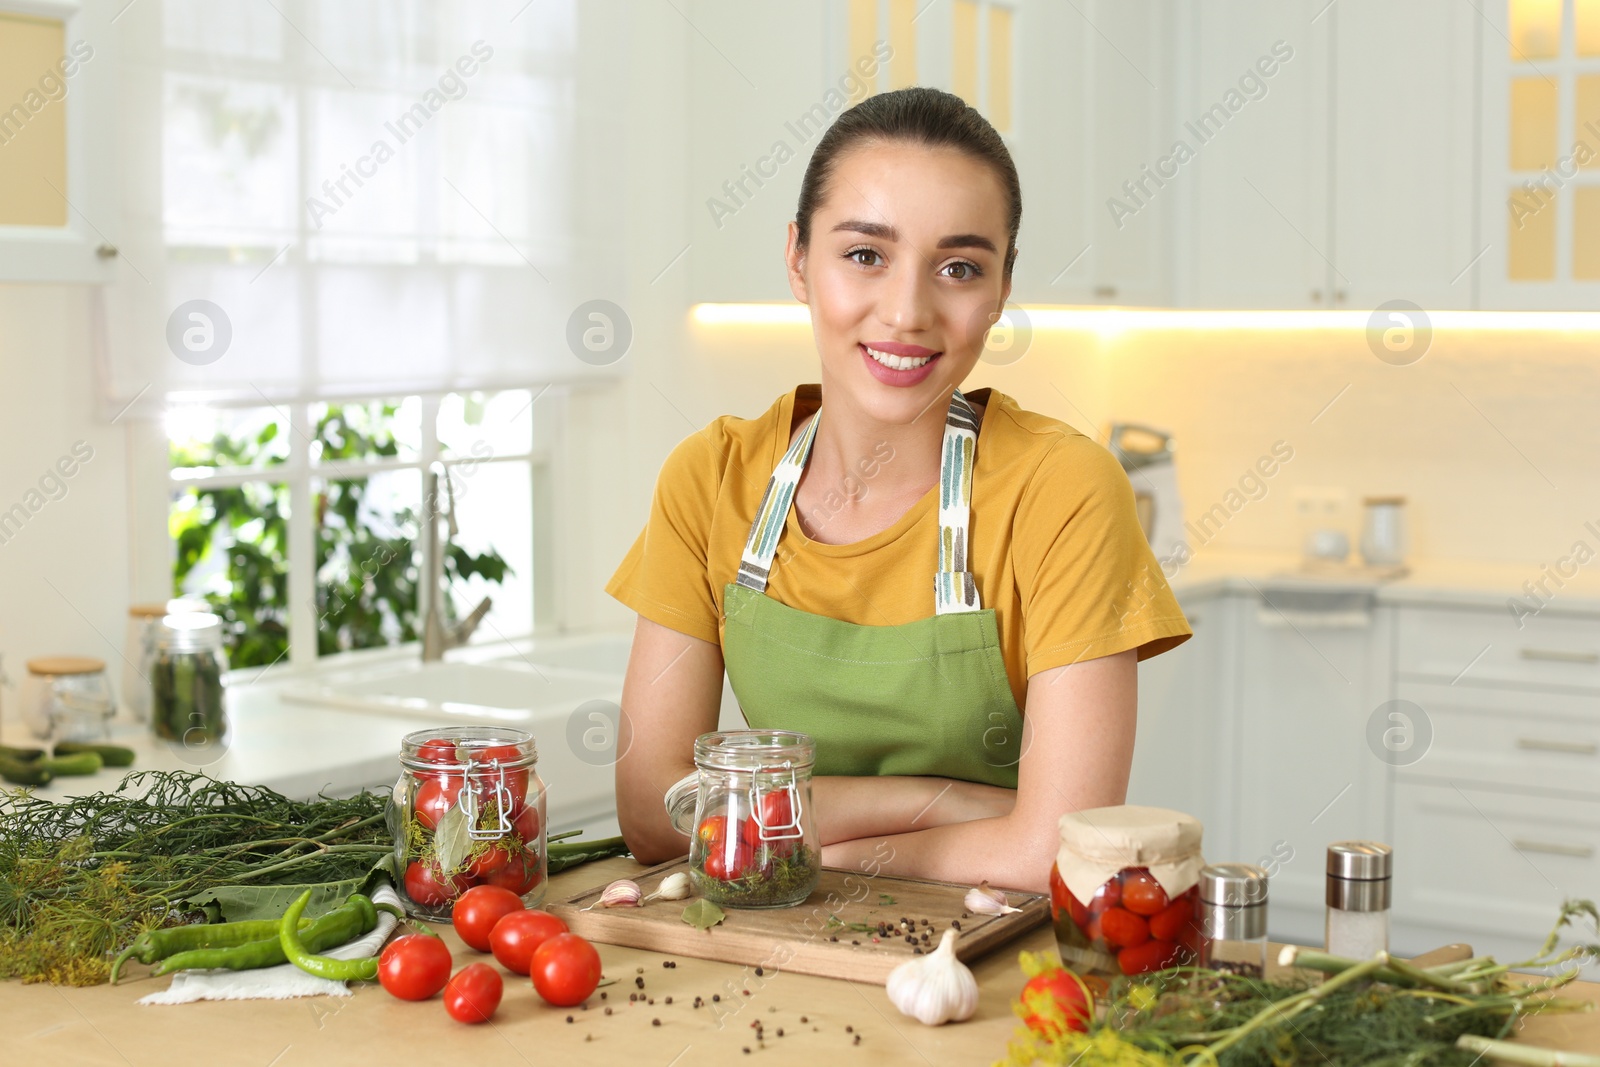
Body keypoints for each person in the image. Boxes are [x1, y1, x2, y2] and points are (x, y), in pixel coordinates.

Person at [606, 86, 1191, 893]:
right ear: (797, 258)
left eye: (958, 267)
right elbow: (650, 809)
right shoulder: (710, 480)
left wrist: (801, 839)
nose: (908, 310)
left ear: (1000, 290)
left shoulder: (1064, 491)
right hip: (768, 945)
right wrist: (945, 803)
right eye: (865, 254)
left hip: (991, 972)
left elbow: (1057, 850)